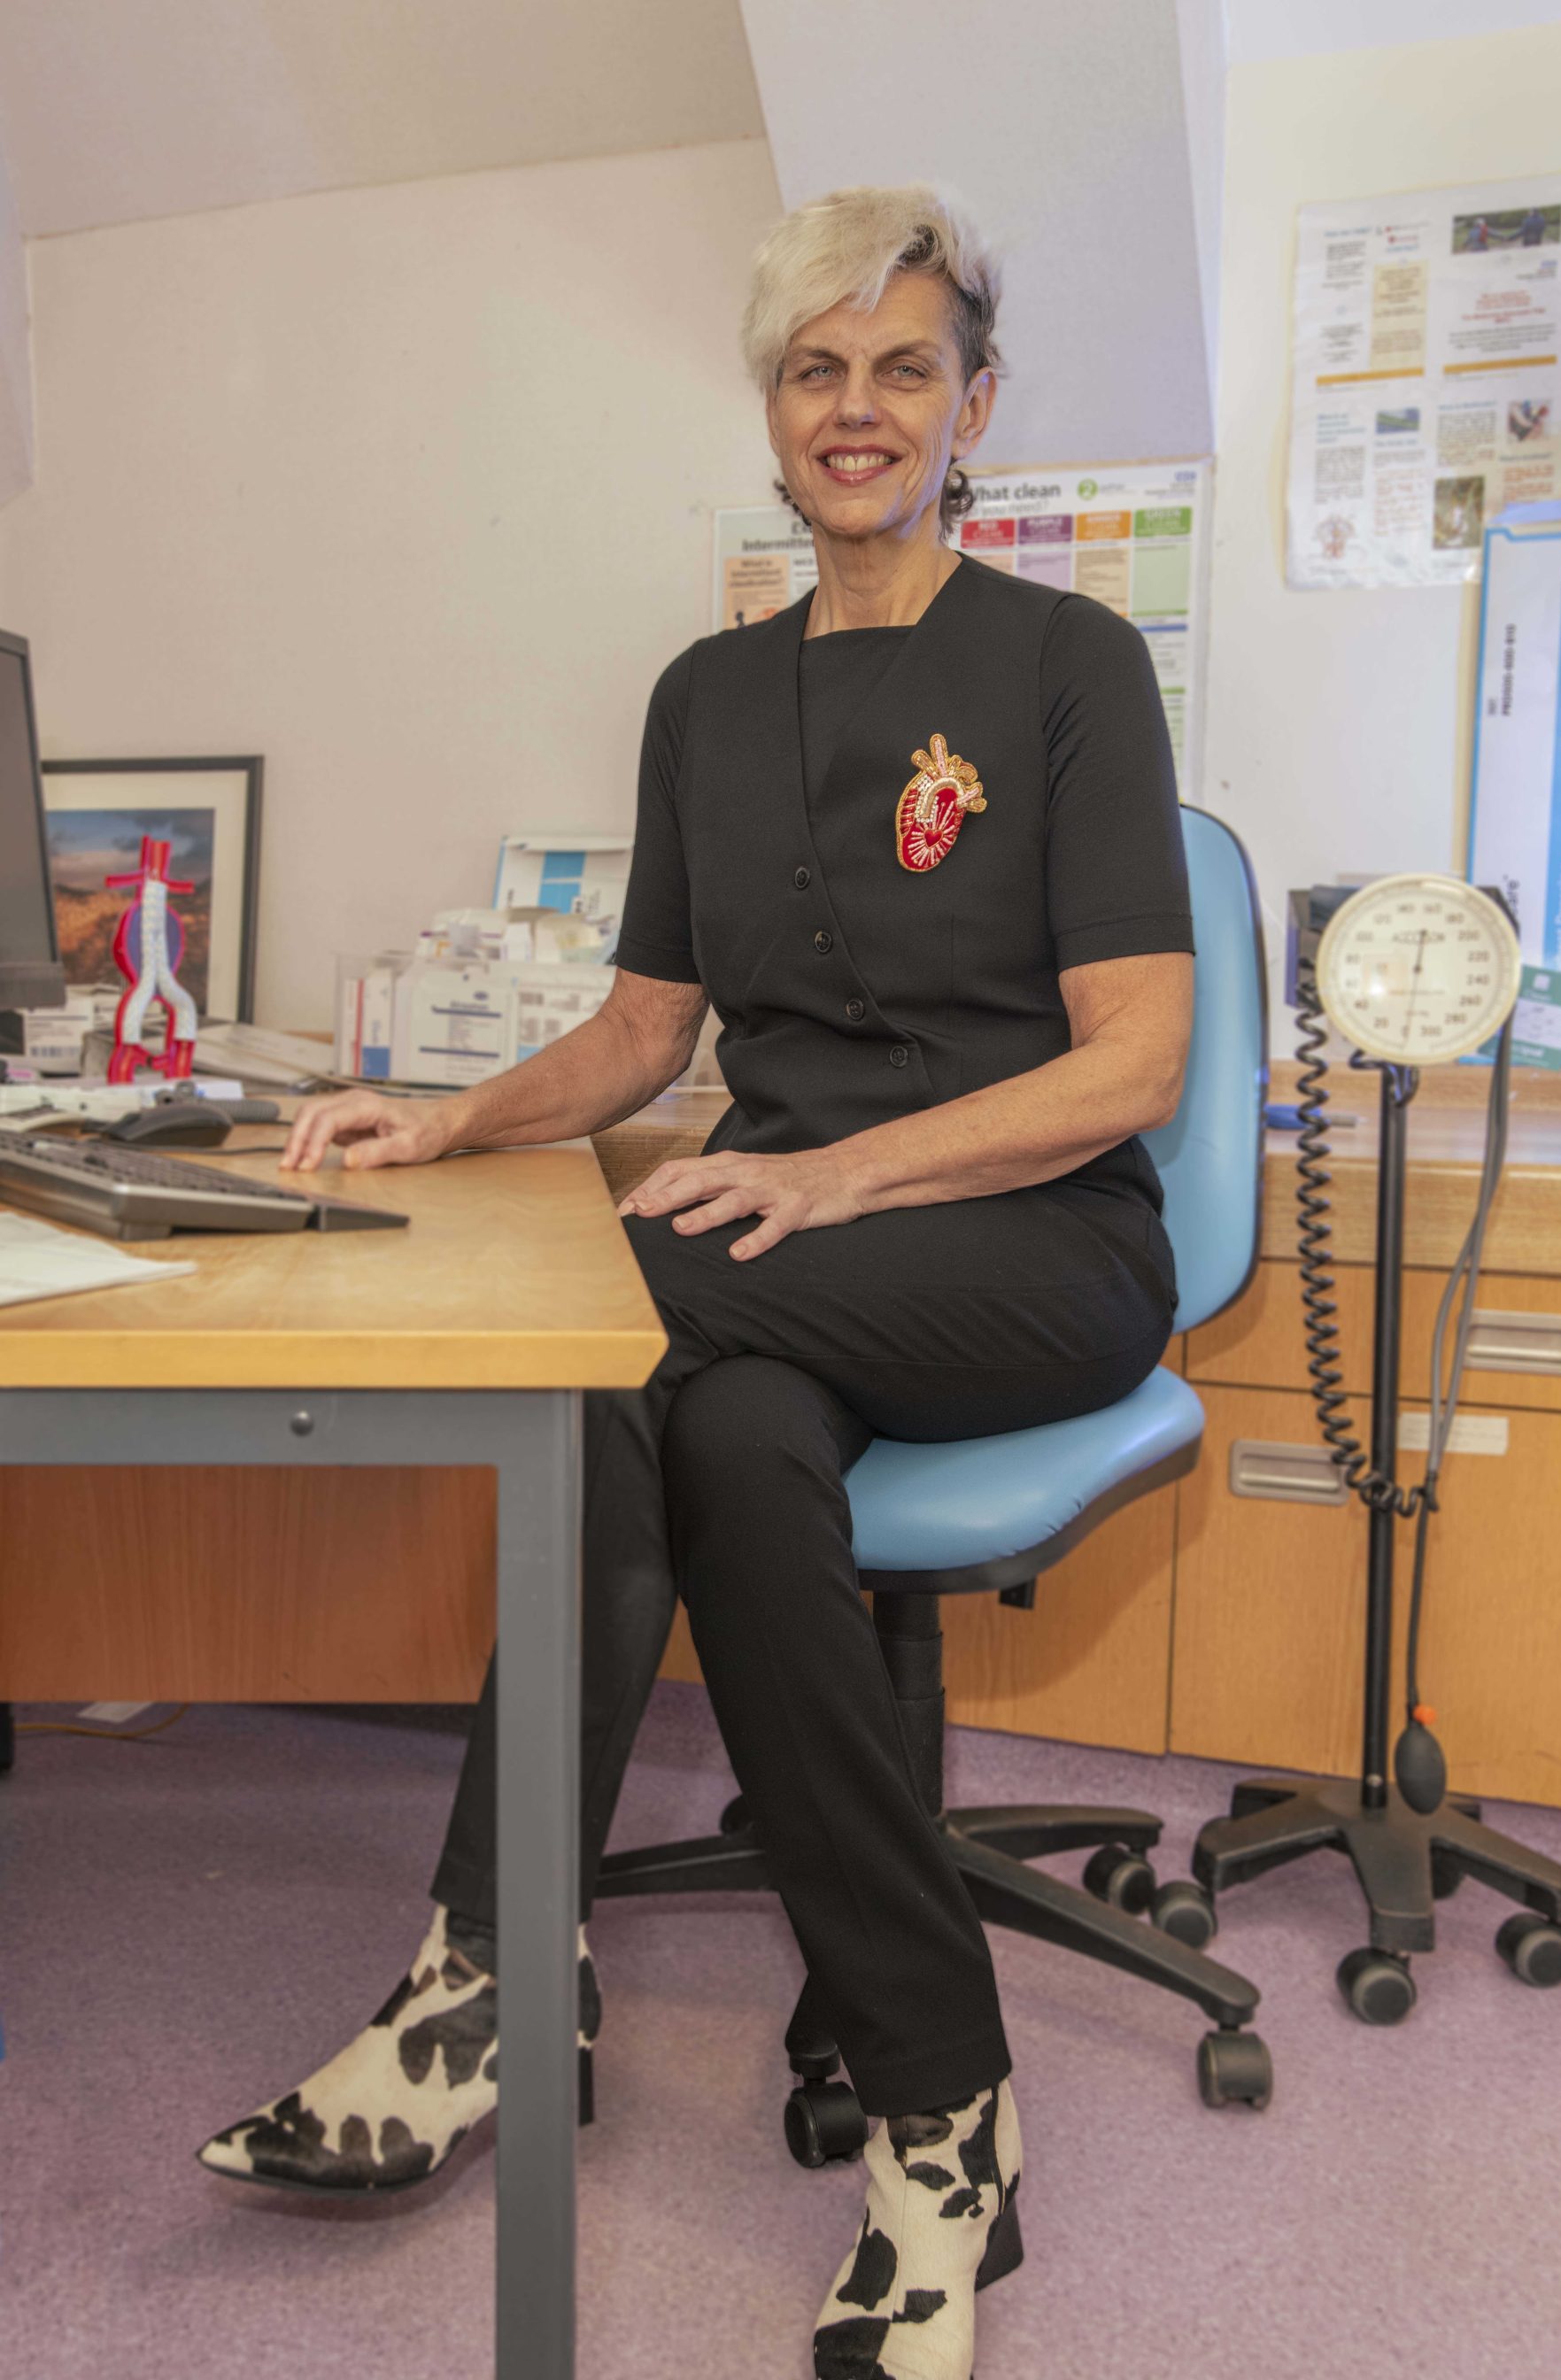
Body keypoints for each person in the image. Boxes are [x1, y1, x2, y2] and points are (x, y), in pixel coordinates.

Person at [197, 182, 1194, 2380]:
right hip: (781, 1268)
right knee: (714, 1431)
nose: (858, 408)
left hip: (1032, 1240)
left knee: (624, 1332)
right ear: (773, 412)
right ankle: (946, 2113)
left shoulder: (1067, 665)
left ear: (972, 406)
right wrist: (446, 1114)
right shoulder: (707, 694)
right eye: (816, 370)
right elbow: (655, 1029)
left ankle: (484, 1979)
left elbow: (1136, 1062)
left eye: (902, 368)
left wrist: (846, 1179)